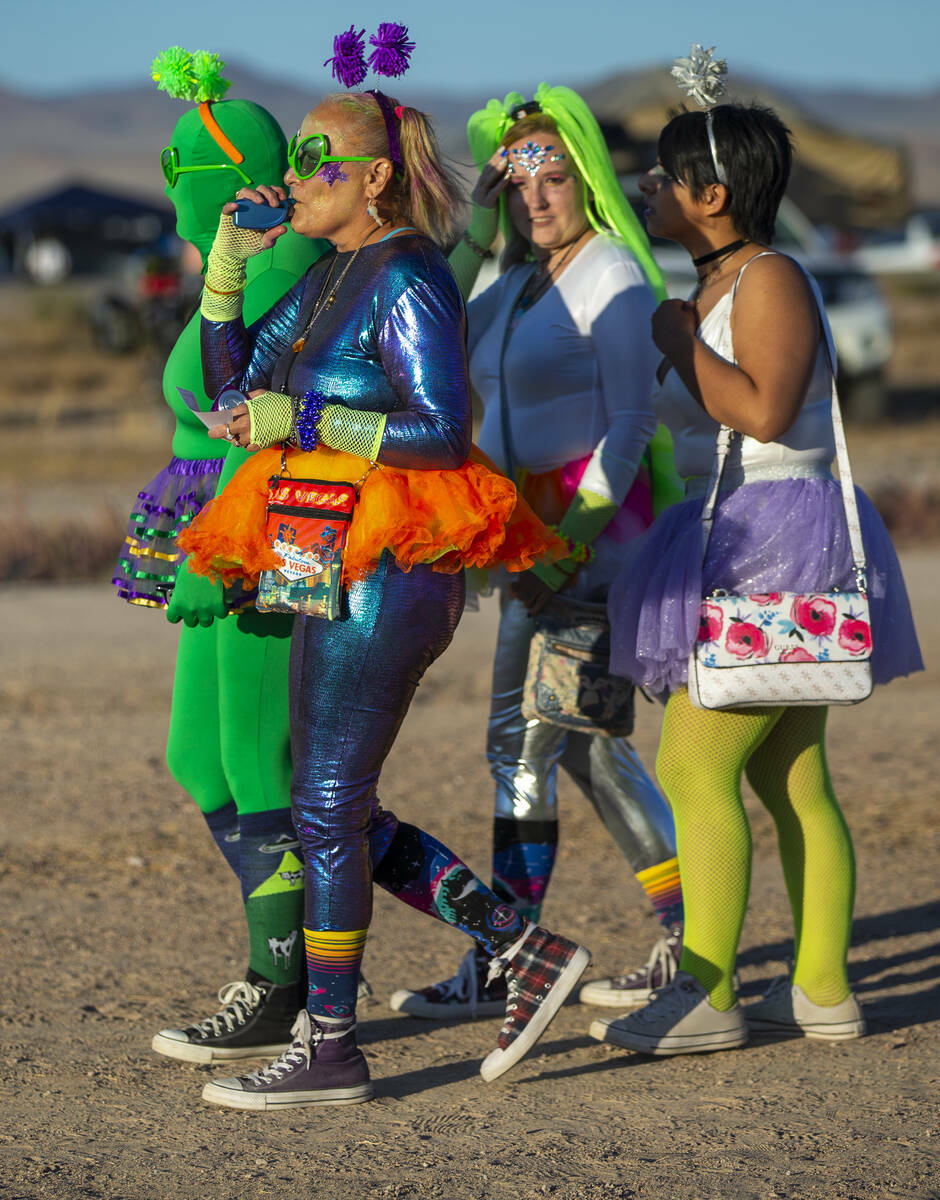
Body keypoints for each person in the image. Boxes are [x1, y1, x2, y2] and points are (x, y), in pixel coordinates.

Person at [179, 85, 591, 1109]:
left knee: (324, 803)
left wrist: (304, 417)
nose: (298, 175)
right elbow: (230, 383)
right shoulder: (329, 274)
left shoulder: (406, 271)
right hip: (328, 559)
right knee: (337, 809)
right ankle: (524, 950)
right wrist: (228, 259)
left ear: (371, 177)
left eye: (321, 160)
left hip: (396, 563)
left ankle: (333, 1047)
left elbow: (443, 429)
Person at [591, 98, 923, 1057]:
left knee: (693, 768)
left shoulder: (768, 279)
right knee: (789, 773)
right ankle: (820, 986)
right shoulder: (722, 281)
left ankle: (704, 993)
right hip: (738, 532)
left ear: (712, 193)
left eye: (662, 176)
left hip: (771, 538)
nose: (648, 189)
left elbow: (767, 412)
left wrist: (678, 345)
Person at [390, 85, 688, 1021]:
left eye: (554, 179)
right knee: (565, 750)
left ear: (585, 178)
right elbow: (438, 322)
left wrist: (573, 544)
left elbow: (633, 424)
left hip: (598, 536)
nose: (537, 200)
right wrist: (477, 228)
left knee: (536, 746)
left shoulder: (613, 275)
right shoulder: (511, 284)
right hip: (524, 537)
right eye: (518, 187)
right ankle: (616, 940)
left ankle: (528, 952)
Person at [113, 50, 333, 1064]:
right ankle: (292, 954)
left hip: (259, 539)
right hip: (213, 541)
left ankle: (281, 981)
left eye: (181, 167)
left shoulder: (280, 264)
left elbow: (262, 426)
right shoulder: (229, 260)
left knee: (261, 762)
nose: (170, 184)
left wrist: (227, 552)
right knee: (199, 759)